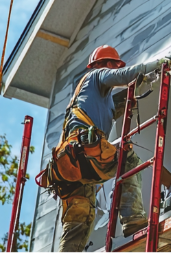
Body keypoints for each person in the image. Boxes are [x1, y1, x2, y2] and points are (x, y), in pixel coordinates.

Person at [58, 45, 159, 253]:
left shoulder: (92, 98)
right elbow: (125, 75)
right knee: (127, 158)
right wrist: (155, 64)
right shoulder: (97, 75)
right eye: (113, 65)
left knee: (81, 214)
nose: (114, 68)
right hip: (86, 151)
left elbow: (118, 104)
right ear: (105, 65)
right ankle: (133, 218)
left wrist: (144, 81)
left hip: (70, 164)